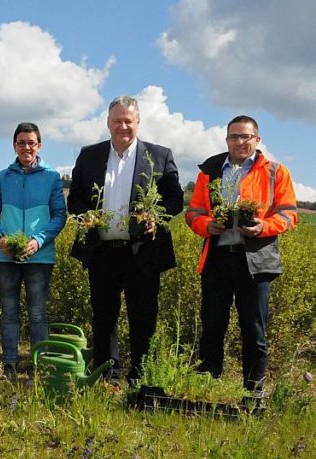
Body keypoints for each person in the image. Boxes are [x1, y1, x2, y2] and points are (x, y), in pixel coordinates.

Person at [67, 95, 183, 384]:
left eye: (128, 121)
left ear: (138, 123)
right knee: (103, 316)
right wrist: (85, 215)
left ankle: (140, 377)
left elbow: (175, 198)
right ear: (108, 123)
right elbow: (77, 197)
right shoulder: (89, 155)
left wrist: (157, 215)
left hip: (142, 251)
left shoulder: (159, 155)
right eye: (117, 121)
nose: (123, 126)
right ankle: (109, 375)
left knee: (143, 318)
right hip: (102, 250)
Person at [185, 115, 298, 397]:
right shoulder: (209, 171)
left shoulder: (275, 171)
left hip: (256, 261)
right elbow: (193, 213)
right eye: (234, 137)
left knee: (253, 330)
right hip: (218, 257)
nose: (239, 142)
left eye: (245, 136)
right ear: (227, 140)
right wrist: (206, 225)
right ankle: (207, 389)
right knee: (212, 327)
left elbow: (288, 214)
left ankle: (253, 393)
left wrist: (263, 227)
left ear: (257, 140)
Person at [0, 123, 67, 380]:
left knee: (38, 312)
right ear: (14, 146)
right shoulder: (2, 178)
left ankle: (38, 364)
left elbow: (59, 215)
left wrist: (38, 240)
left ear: (39, 145)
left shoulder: (52, 177)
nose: (26, 147)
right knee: (9, 312)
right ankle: (9, 364)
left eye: (31, 143)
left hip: (39, 256)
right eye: (21, 143)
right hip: (5, 255)